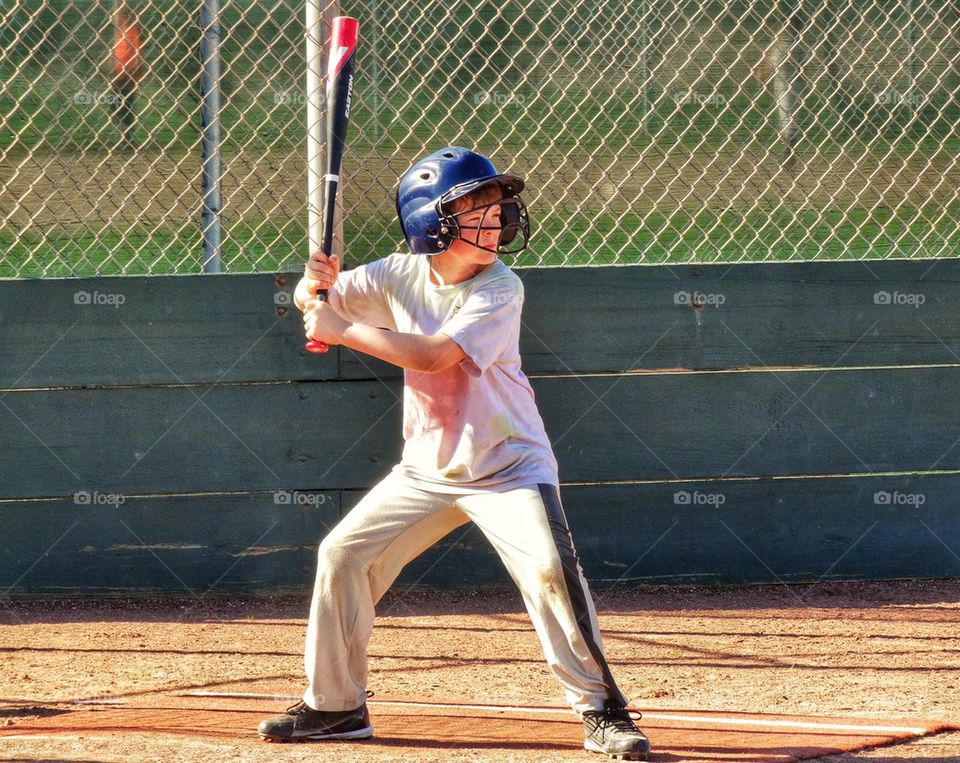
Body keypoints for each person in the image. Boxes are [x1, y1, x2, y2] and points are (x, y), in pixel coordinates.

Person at [256, 146, 651, 761]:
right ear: (430, 226)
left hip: (508, 467)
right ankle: (335, 708)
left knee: (549, 569)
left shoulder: (501, 287)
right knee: (342, 555)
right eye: (477, 212)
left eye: (497, 210)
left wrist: (340, 330)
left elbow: (436, 354)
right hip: (426, 470)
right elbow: (323, 301)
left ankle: (602, 710)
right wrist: (314, 291)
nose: (496, 222)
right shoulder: (396, 274)